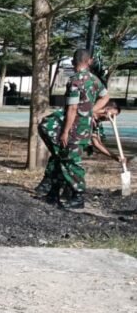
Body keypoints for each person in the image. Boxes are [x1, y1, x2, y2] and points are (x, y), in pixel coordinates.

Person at [35, 50, 115, 208]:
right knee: (62, 158)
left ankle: (78, 196)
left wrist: (65, 132)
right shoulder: (94, 79)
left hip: (74, 129)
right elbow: (106, 97)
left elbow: (72, 109)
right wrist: (90, 111)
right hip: (84, 128)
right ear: (89, 61)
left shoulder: (75, 81)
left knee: (71, 162)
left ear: (73, 63)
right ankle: (53, 193)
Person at [37, 103, 123, 209]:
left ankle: (54, 194)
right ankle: (75, 195)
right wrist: (66, 133)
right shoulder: (85, 112)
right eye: (112, 115)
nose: (111, 119)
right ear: (107, 109)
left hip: (55, 134)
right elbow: (72, 111)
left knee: (61, 162)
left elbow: (97, 143)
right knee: (69, 163)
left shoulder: (95, 123)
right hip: (52, 130)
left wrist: (114, 156)